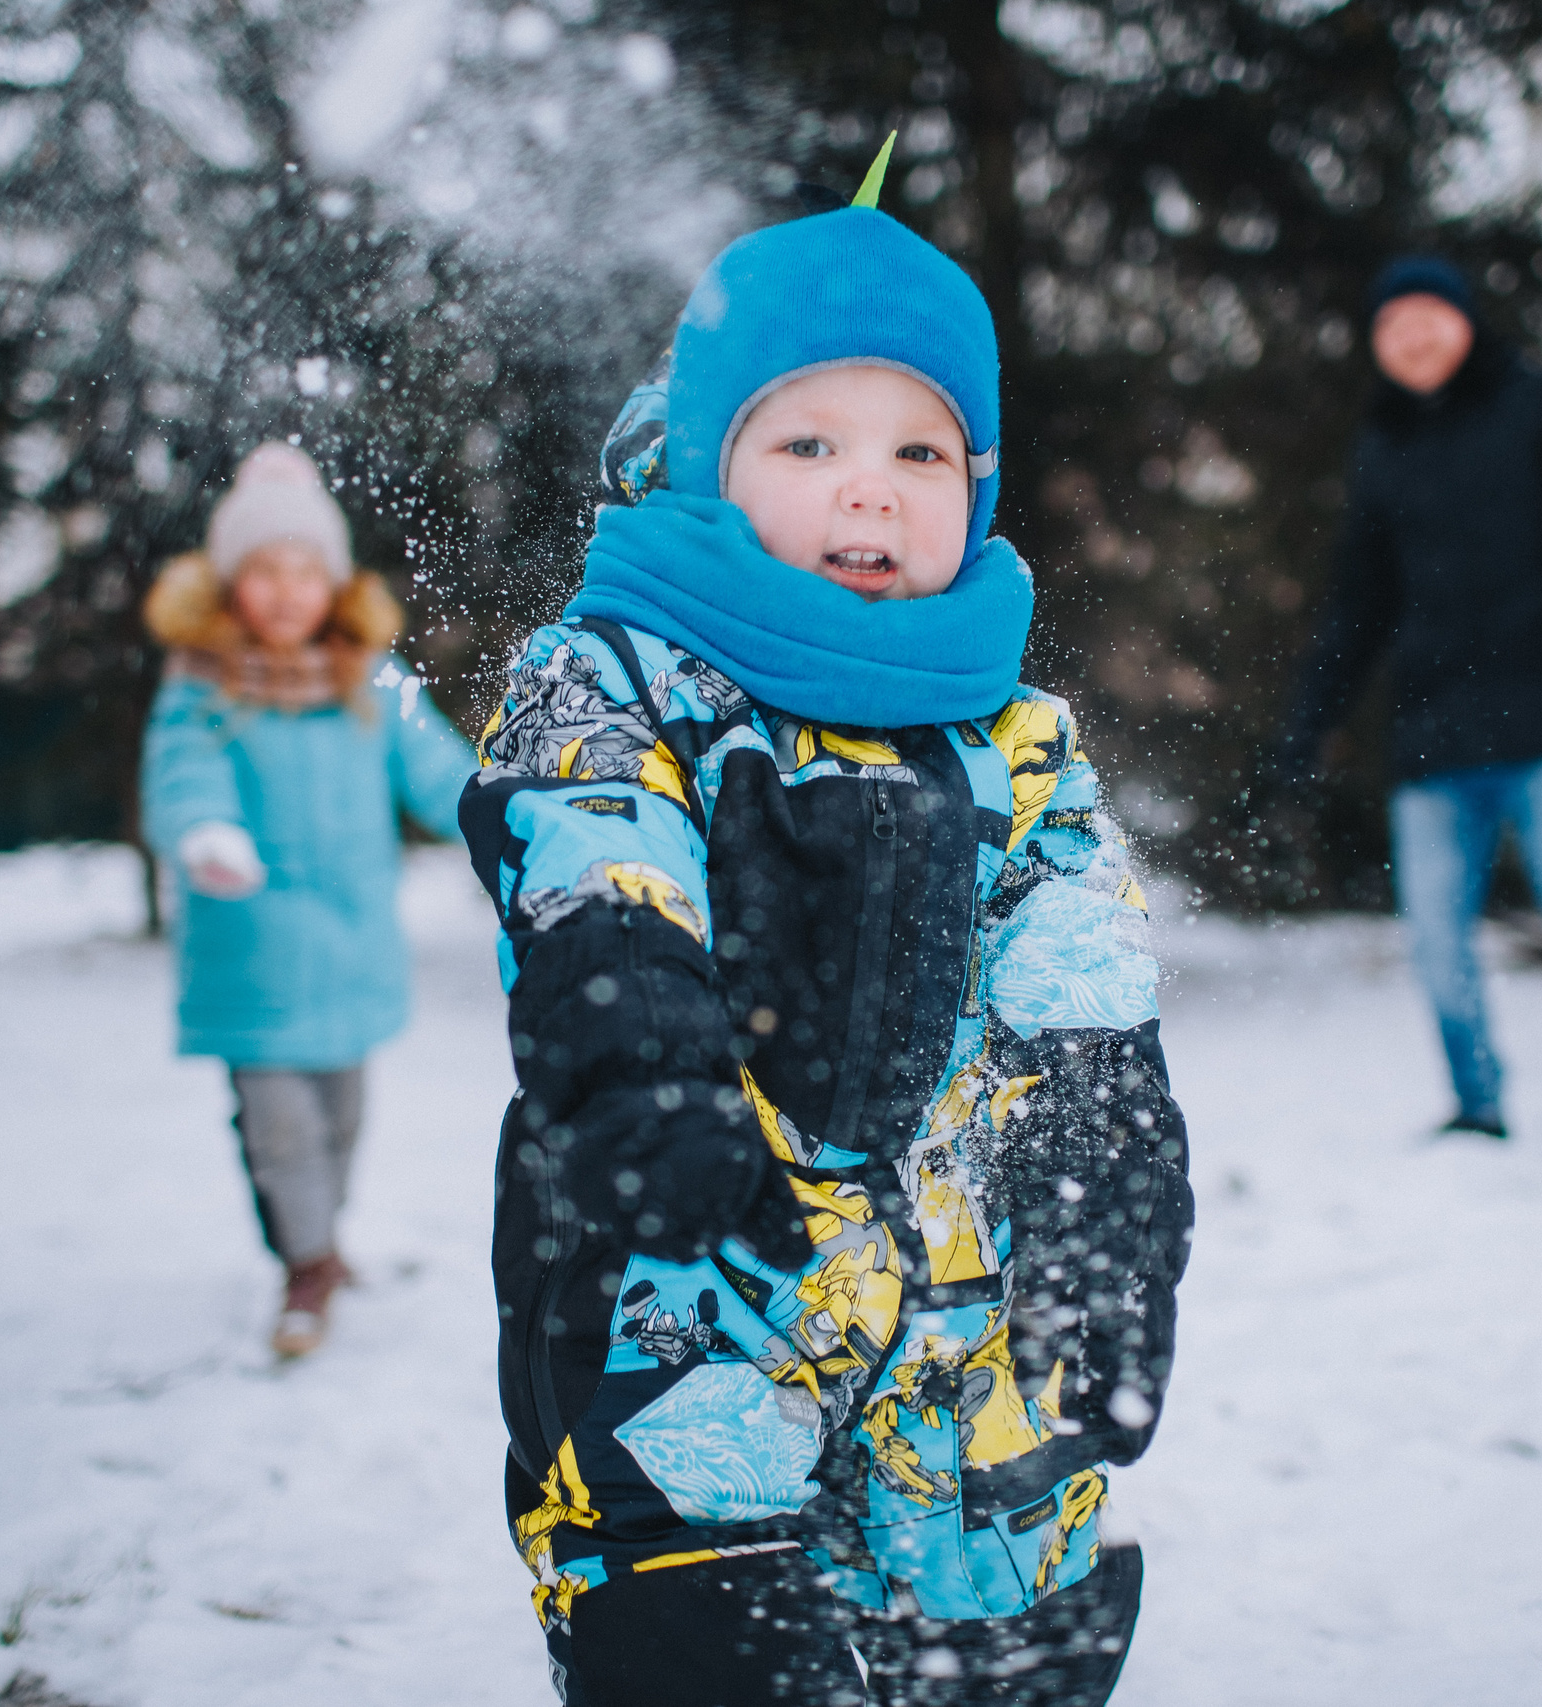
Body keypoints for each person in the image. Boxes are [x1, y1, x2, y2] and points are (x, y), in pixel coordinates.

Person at [460, 168, 1193, 1706]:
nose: (874, 486)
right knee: (706, 1648)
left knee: (1002, 1646)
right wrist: (646, 1069)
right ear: (714, 469)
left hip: (962, 1320)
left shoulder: (1017, 731)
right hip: (691, 1285)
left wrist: (1107, 1186)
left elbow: (1081, 977)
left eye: (922, 448)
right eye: (810, 441)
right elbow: (593, 871)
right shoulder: (618, 680)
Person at [1268, 254, 1542, 1175]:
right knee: (1436, 934)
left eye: (1426, 316)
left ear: (1464, 320)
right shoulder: (1385, 446)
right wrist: (1308, 723)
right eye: (1390, 325)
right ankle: (1478, 1105)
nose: (1412, 336)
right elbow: (1358, 605)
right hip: (1438, 736)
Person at [141, 443, 479, 1357]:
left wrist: (495, 817)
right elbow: (182, 773)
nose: (287, 591)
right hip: (251, 951)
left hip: (350, 946)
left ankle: (320, 1237)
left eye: (305, 570)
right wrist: (204, 830)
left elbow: (437, 768)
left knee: (341, 1121)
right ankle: (307, 1264)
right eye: (264, 571)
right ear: (230, 586)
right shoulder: (203, 682)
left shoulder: (371, 679)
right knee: (283, 1127)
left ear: (332, 583)